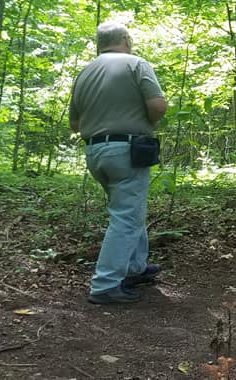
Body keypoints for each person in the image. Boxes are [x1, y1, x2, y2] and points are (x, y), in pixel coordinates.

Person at [68, 21, 167, 304]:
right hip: (127, 150)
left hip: (95, 152)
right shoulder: (136, 64)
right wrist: (149, 122)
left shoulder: (85, 73)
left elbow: (75, 123)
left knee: (129, 210)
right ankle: (106, 284)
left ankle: (134, 268)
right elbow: (157, 105)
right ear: (126, 39)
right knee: (126, 216)